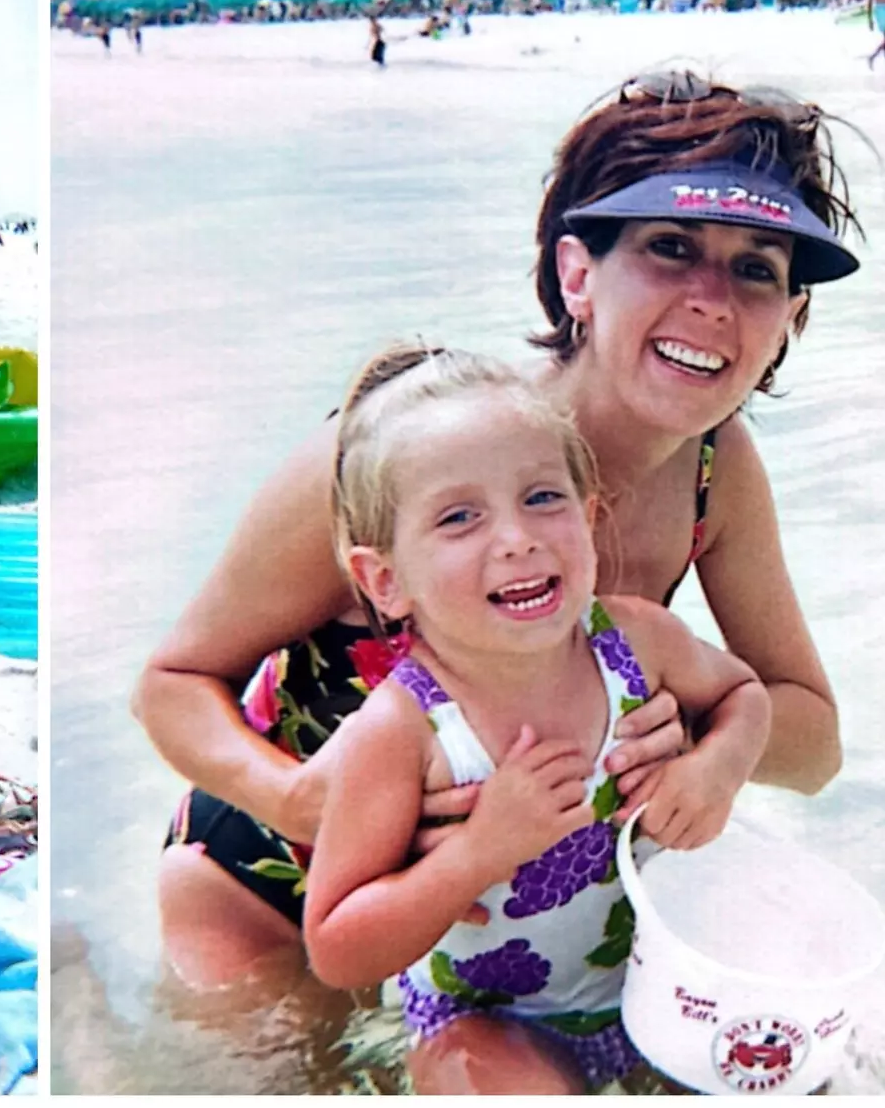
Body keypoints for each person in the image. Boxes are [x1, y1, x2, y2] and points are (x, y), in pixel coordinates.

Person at [135, 70, 863, 989]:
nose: (714, 300)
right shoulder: (409, 451)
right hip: (275, 891)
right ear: (576, 274)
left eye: (757, 268)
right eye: (671, 247)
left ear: (790, 315)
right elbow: (170, 683)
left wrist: (705, 744)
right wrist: (303, 798)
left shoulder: (715, 470)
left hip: (504, 942)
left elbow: (816, 742)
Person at [301, 346, 775, 1093]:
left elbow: (745, 695)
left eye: (544, 498)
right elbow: (336, 946)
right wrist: (475, 854)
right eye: (460, 517)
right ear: (385, 579)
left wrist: (715, 766)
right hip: (486, 1020)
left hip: (652, 989)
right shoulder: (404, 729)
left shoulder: (633, 642)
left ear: (589, 519)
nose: (517, 537)